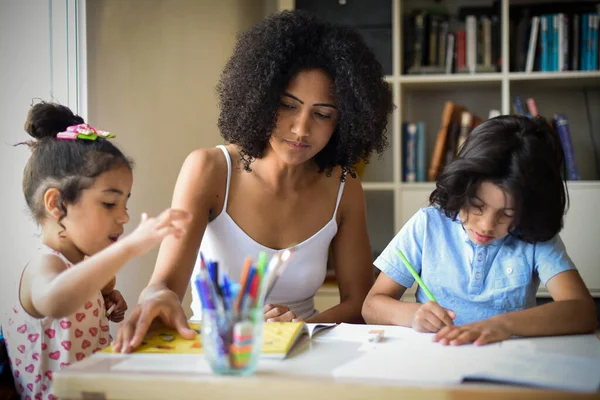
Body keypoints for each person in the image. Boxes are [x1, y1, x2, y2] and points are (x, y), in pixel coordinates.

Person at [113, 10, 394, 353]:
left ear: (344, 121)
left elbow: (359, 304)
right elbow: (164, 285)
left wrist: (297, 329)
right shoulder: (210, 169)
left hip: (305, 351)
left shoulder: (344, 188)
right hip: (214, 353)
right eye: (287, 106)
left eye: (322, 114)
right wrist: (154, 298)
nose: (301, 128)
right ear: (260, 98)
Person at [4, 102, 190, 399]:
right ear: (57, 204)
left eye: (125, 203)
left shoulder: (82, 267)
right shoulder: (43, 265)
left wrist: (105, 299)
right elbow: (56, 301)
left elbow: (78, 300)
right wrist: (129, 247)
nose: (125, 217)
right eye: (109, 203)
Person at [362, 115, 597, 346]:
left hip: (508, 363)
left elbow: (583, 311)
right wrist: (413, 315)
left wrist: (503, 325)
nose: (486, 225)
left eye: (506, 213)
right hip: (437, 358)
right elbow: (372, 306)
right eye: (477, 206)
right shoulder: (428, 225)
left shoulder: (532, 236)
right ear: (460, 188)